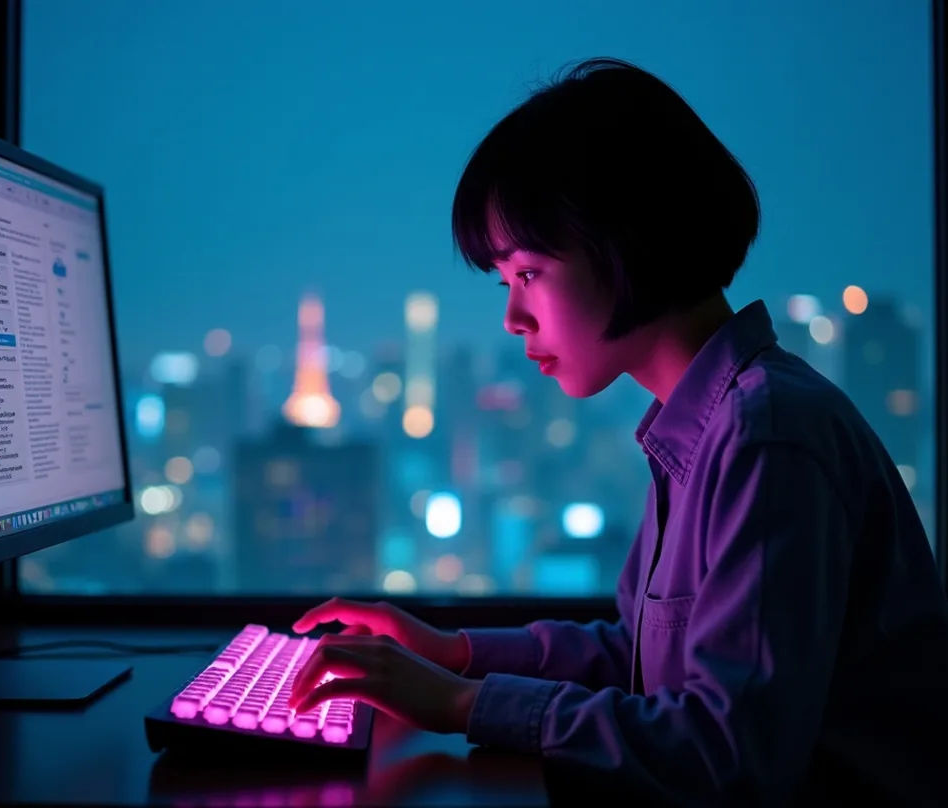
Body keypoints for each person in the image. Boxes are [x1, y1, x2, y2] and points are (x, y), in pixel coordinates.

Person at [288, 58, 948, 805]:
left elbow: (729, 753)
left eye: (529, 273)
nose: (512, 319)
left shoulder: (767, 436)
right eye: (505, 283)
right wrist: (456, 653)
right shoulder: (705, 427)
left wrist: (460, 704)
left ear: (623, 243)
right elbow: (642, 660)